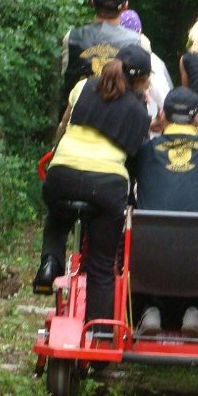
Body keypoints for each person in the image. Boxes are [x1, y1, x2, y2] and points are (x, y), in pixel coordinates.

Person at [33, 45, 152, 332]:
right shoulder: (139, 112)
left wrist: (58, 153)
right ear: (141, 80)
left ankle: (49, 263)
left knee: (57, 214)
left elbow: (63, 126)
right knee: (101, 264)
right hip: (106, 186)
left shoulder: (83, 87)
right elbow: (135, 161)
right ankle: (99, 330)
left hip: (62, 173)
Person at [131, 87, 198, 338]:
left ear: (162, 115)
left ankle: (150, 308)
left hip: (151, 253)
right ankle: (197, 310)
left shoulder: (144, 152)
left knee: (152, 245)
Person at [60, 0, 140, 110]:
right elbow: (140, 87)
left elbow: (66, 78)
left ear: (92, 2)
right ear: (125, 6)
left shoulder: (71, 37)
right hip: (118, 118)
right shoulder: (137, 42)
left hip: (76, 116)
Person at [120, 9, 174, 130]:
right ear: (140, 32)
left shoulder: (111, 61)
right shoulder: (151, 60)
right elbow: (162, 99)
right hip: (146, 126)